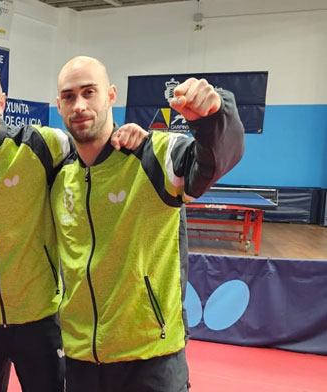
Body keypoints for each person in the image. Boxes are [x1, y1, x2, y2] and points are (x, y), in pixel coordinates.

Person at [0, 62, 147, 392]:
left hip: (39, 317)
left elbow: (93, 143)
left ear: (1, 103)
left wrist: (126, 132)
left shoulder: (41, 144)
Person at [50, 56, 245, 392]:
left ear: (111, 95)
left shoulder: (154, 155)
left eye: (89, 92)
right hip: (80, 357)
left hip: (151, 359)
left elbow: (213, 163)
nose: (79, 105)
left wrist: (215, 116)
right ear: (58, 104)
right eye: (69, 96)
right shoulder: (56, 175)